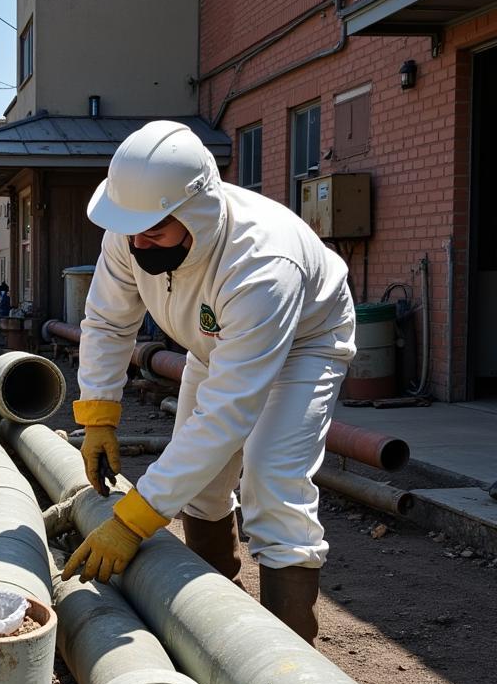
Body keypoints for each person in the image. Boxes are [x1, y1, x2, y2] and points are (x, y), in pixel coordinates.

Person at [62, 120, 355, 644]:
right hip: (217, 341)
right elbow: (108, 322)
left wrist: (132, 521)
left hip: (306, 342)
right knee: (203, 483)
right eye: (133, 229)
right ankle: (213, 624)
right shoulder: (134, 228)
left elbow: (226, 414)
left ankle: (287, 661)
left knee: (272, 479)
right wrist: (99, 414)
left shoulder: (262, 264)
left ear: (195, 211)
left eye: (154, 230)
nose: (139, 242)